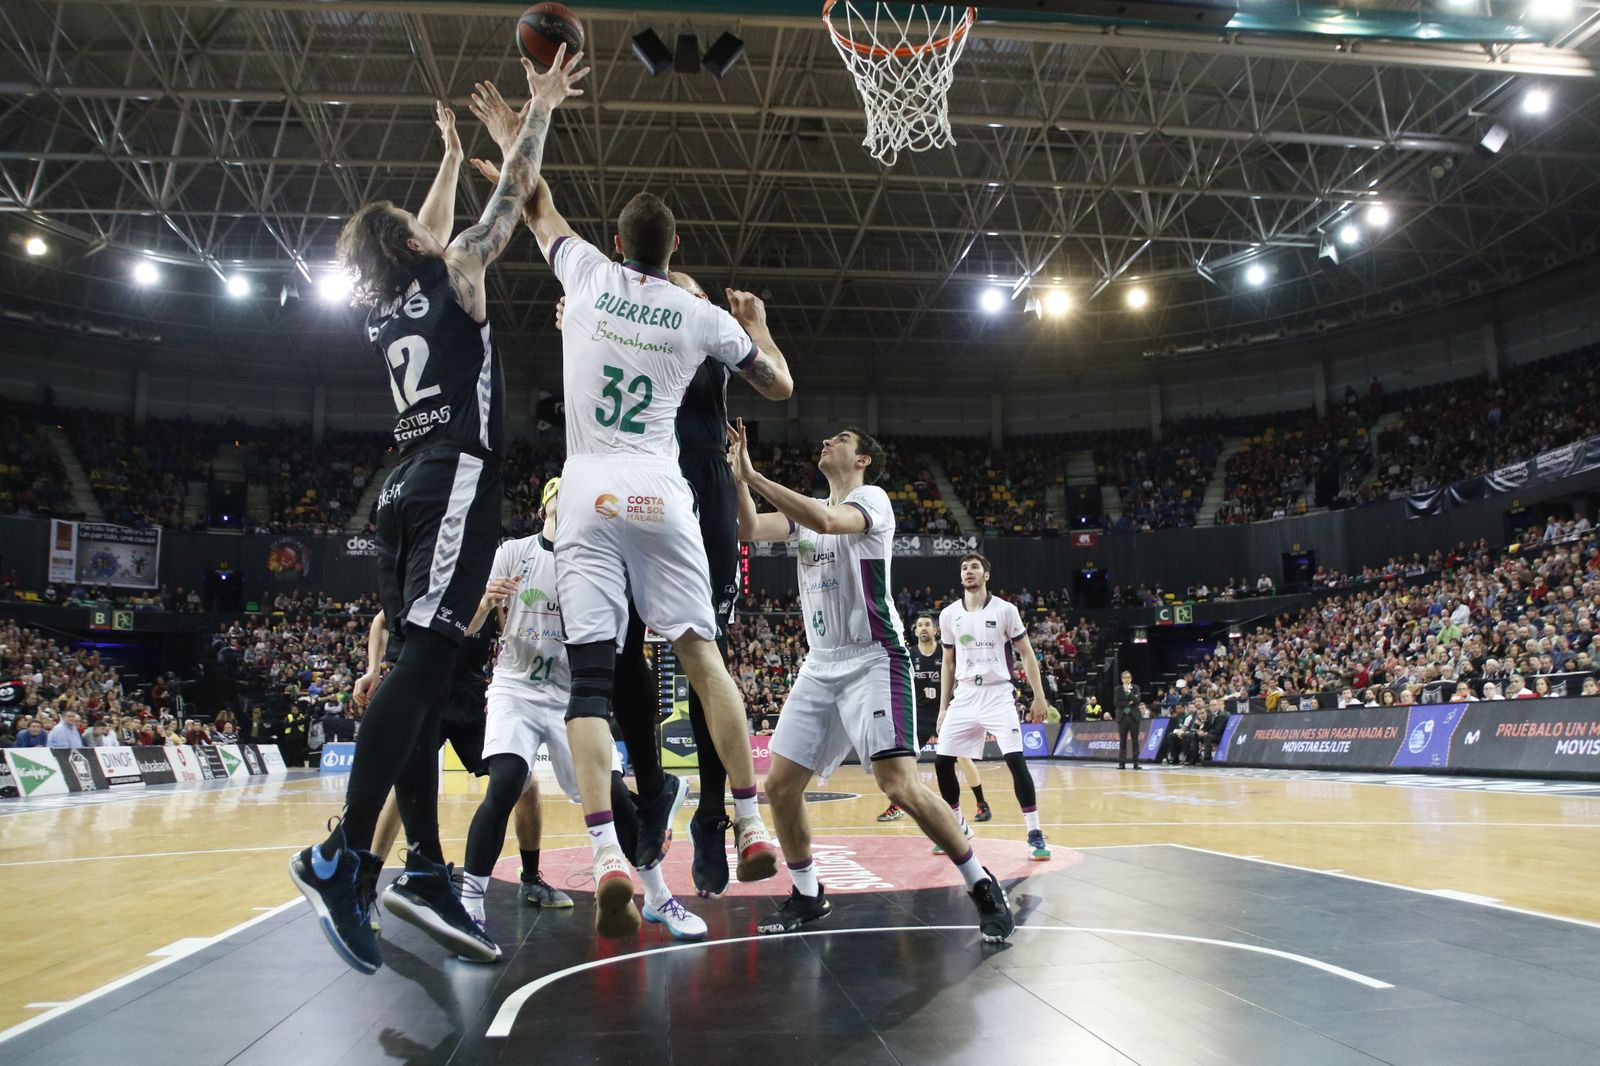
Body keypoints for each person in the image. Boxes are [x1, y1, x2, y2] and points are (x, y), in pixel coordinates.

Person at [289, 50, 589, 977]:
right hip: (457, 474)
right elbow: (514, 205)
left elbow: (425, 228)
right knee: (423, 664)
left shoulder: (385, 305)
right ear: (420, 246)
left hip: (401, 488)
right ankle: (346, 854)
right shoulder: (454, 268)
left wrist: (452, 159)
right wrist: (534, 113)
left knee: (424, 666)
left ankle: (420, 862)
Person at [511, 127, 789, 933]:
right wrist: (758, 326)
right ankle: (747, 820)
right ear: (676, 249)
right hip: (664, 496)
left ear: (618, 242)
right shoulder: (697, 314)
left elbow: (536, 205)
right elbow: (776, 383)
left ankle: (606, 854)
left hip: (589, 494)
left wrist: (525, 130)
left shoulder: (589, 279)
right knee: (703, 657)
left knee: (594, 681)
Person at [729, 420, 1014, 942]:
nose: (826, 441)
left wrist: (756, 474)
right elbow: (748, 529)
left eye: (839, 438)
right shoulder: (804, 518)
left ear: (861, 459)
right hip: (820, 663)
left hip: (874, 658)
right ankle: (809, 894)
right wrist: (740, 478)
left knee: (898, 784)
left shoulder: (873, 499)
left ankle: (980, 882)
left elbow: (826, 517)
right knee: (780, 785)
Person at [457, 477, 705, 947]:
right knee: (507, 780)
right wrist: (487, 602)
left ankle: (656, 894)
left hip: (571, 696)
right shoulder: (514, 551)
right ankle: (470, 905)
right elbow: (469, 629)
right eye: (556, 498)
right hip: (516, 688)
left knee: (612, 792)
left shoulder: (600, 562)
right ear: (546, 506)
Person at [935, 554, 1052, 861]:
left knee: (1016, 761)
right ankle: (957, 825)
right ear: (960, 577)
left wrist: (1038, 695)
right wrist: (944, 706)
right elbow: (948, 662)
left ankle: (1034, 831)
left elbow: (1026, 653)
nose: (968, 571)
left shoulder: (1005, 610)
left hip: (999, 694)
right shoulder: (948, 615)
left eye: (974, 567)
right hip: (965, 694)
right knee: (942, 761)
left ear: (986, 574)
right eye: (964, 568)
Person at [880, 613, 990, 824]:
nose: (924, 628)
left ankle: (982, 803)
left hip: (947, 712)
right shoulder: (910, 655)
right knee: (905, 760)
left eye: (928, 624)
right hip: (919, 716)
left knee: (963, 757)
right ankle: (897, 806)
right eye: (920, 625)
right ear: (914, 631)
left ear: (935, 630)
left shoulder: (946, 652)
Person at [1112, 670, 1141, 770]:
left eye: (1128, 677)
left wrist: (1129, 693)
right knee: (1123, 741)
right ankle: (1122, 763)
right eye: (1124, 678)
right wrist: (1129, 703)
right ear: (1121, 679)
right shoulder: (1117, 689)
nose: (1126, 679)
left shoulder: (1136, 688)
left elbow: (1137, 701)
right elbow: (1116, 703)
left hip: (1134, 717)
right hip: (1122, 717)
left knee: (1135, 741)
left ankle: (1136, 763)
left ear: (1131, 678)